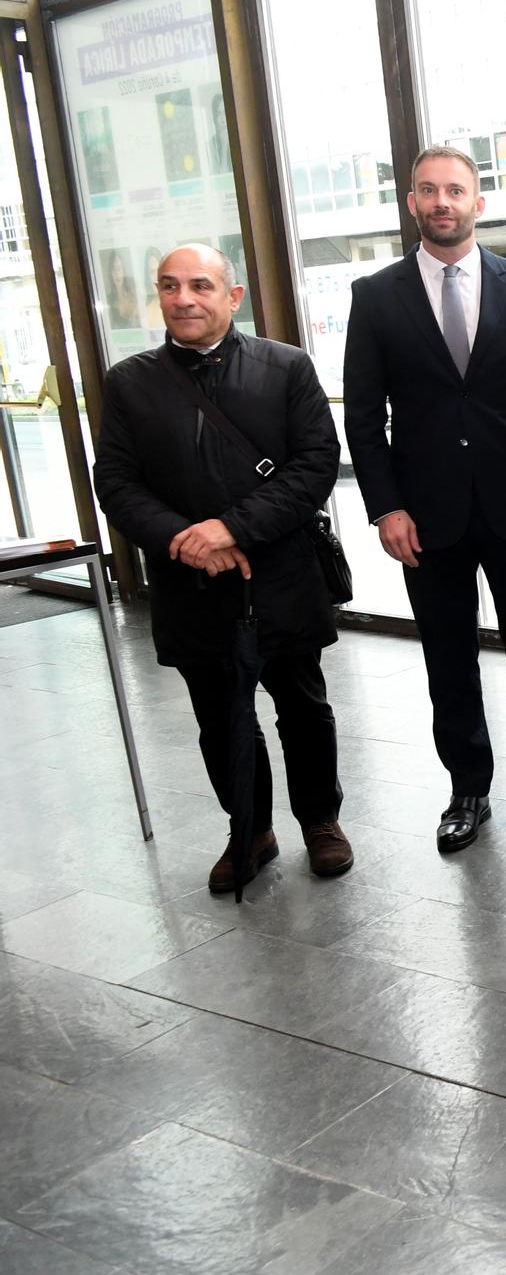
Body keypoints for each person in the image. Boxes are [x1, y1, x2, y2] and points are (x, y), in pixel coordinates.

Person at [93, 245, 350, 892]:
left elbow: (316, 463)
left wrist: (231, 527)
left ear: (232, 297)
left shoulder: (285, 367)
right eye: (170, 286)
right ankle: (250, 830)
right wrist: (186, 539)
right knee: (219, 716)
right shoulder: (129, 382)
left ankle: (321, 822)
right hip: (190, 584)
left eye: (200, 285)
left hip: (281, 575)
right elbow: (117, 483)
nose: (184, 298)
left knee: (303, 706)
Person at [344, 145, 506, 854]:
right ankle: (468, 785)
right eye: (428, 191)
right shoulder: (375, 296)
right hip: (424, 515)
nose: (442, 202)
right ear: (411, 202)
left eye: (456, 190)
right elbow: (361, 414)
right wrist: (386, 507)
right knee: (448, 655)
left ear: (478, 201)